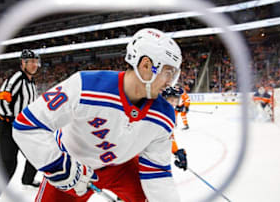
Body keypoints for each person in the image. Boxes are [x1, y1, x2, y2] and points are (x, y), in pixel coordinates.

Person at [13, 28, 183, 202]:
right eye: (168, 73)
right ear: (145, 65)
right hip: (73, 163)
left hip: (121, 167)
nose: (170, 82)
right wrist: (59, 166)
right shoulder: (85, 86)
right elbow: (26, 125)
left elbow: (157, 172)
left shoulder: (165, 115)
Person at [0, 49, 41, 202]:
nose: (34, 65)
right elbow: (0, 104)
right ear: (23, 63)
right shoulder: (16, 79)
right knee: (6, 167)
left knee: (36, 155)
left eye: (35, 62)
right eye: (30, 62)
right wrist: (14, 120)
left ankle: (27, 180)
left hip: (24, 129)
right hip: (8, 128)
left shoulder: (31, 81)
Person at [161, 87, 188, 170]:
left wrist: (176, 151)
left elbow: (170, 136)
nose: (174, 104)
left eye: (176, 101)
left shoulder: (169, 114)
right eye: (171, 100)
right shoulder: (154, 110)